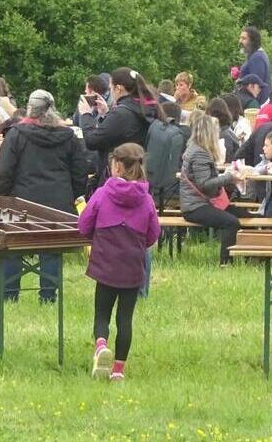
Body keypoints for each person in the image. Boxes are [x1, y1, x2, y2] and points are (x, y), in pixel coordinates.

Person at [80, 143, 159, 382]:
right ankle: (118, 371)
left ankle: (101, 345)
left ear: (116, 166)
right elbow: (153, 234)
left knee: (101, 313)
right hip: (132, 267)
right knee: (125, 319)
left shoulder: (103, 193)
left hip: (105, 262)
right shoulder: (146, 199)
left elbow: (83, 225)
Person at [0, 90, 86, 302]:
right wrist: (74, 195)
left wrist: (3, 196)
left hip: (22, 201)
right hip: (58, 202)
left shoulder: (16, 134)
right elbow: (80, 171)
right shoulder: (69, 137)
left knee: (14, 245)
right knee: (51, 248)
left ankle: (10, 295)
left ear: (29, 108)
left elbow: (4, 170)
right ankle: (48, 295)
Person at [180, 110, 248, 266]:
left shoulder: (195, 149)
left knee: (244, 214)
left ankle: (250, 256)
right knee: (231, 222)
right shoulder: (200, 153)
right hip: (195, 207)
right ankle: (226, 263)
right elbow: (205, 185)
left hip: (196, 203)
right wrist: (230, 177)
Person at [79, 68, 159, 194]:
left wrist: (86, 115)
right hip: (137, 175)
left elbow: (92, 141)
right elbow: (121, 133)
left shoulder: (122, 114)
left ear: (118, 88)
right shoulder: (145, 108)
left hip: (117, 179)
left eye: (111, 88)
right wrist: (107, 115)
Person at [238, 25, 271, 102]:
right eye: (240, 38)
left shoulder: (257, 57)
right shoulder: (255, 55)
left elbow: (256, 86)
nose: (240, 41)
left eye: (244, 38)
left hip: (254, 105)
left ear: (252, 41)